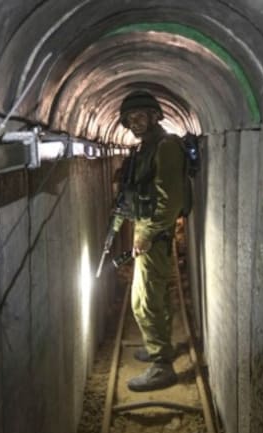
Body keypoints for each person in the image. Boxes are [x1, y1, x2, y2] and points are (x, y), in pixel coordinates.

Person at [117, 90, 187, 392]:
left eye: (140, 116)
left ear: (154, 116)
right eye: (130, 119)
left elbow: (171, 201)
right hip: (147, 230)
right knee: (153, 296)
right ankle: (161, 347)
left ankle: (161, 366)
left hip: (154, 234)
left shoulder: (165, 147)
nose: (135, 123)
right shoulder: (146, 147)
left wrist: (147, 233)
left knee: (144, 302)